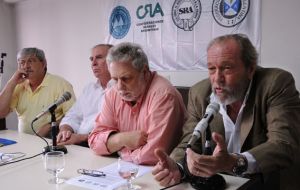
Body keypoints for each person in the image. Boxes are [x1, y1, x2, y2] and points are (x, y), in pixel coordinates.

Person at [152, 34, 300, 189]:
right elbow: (190, 141)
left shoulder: (276, 84)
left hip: (263, 183)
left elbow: (284, 144)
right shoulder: (199, 93)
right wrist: (177, 166)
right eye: (211, 69)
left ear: (250, 69)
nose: (217, 78)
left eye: (227, 68)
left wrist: (234, 162)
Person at [88, 42, 186, 165]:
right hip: (128, 170)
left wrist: (119, 151)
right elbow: (94, 141)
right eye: (115, 79)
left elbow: (153, 155)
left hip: (162, 173)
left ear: (145, 72)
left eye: (126, 78)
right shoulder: (112, 93)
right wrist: (122, 139)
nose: (119, 87)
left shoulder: (164, 95)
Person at [0, 47, 75, 137]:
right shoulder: (18, 85)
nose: (26, 66)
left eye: (31, 61)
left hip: (51, 140)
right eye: (22, 62)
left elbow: (73, 116)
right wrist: (12, 82)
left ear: (43, 63)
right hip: (25, 141)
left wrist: (50, 126)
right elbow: (1, 113)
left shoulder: (61, 84)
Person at [56, 44, 112, 146]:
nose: (93, 63)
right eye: (91, 59)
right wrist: (65, 131)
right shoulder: (89, 89)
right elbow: (72, 116)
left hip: (101, 146)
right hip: (78, 143)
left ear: (113, 61)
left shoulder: (121, 90)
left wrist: (80, 138)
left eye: (99, 58)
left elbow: (114, 132)